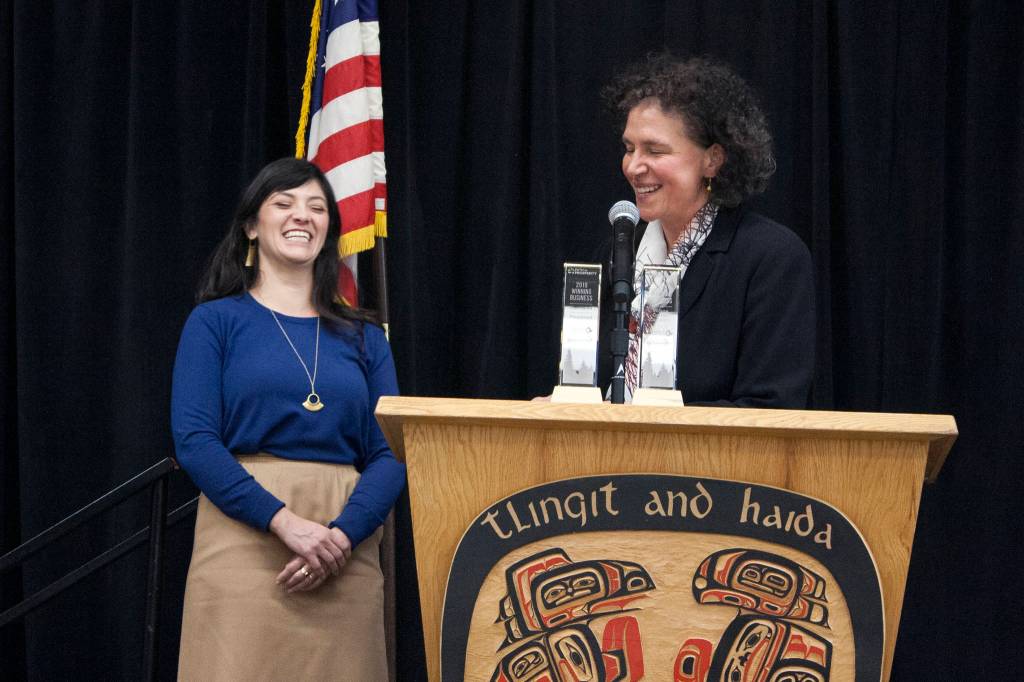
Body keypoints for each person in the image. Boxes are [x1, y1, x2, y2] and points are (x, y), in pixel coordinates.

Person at [170, 157, 405, 680]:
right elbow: (195, 441)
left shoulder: (366, 337)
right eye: (284, 203)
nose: (302, 216)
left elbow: (391, 451)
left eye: (317, 208)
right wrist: (284, 522)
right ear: (251, 226)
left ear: (329, 231)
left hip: (346, 544)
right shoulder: (214, 322)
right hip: (244, 536)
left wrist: (341, 537)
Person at [597, 54, 815, 407]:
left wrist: (648, 426)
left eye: (654, 150)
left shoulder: (770, 258)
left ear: (712, 160)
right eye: (629, 148)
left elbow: (771, 408)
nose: (633, 166)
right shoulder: (623, 249)